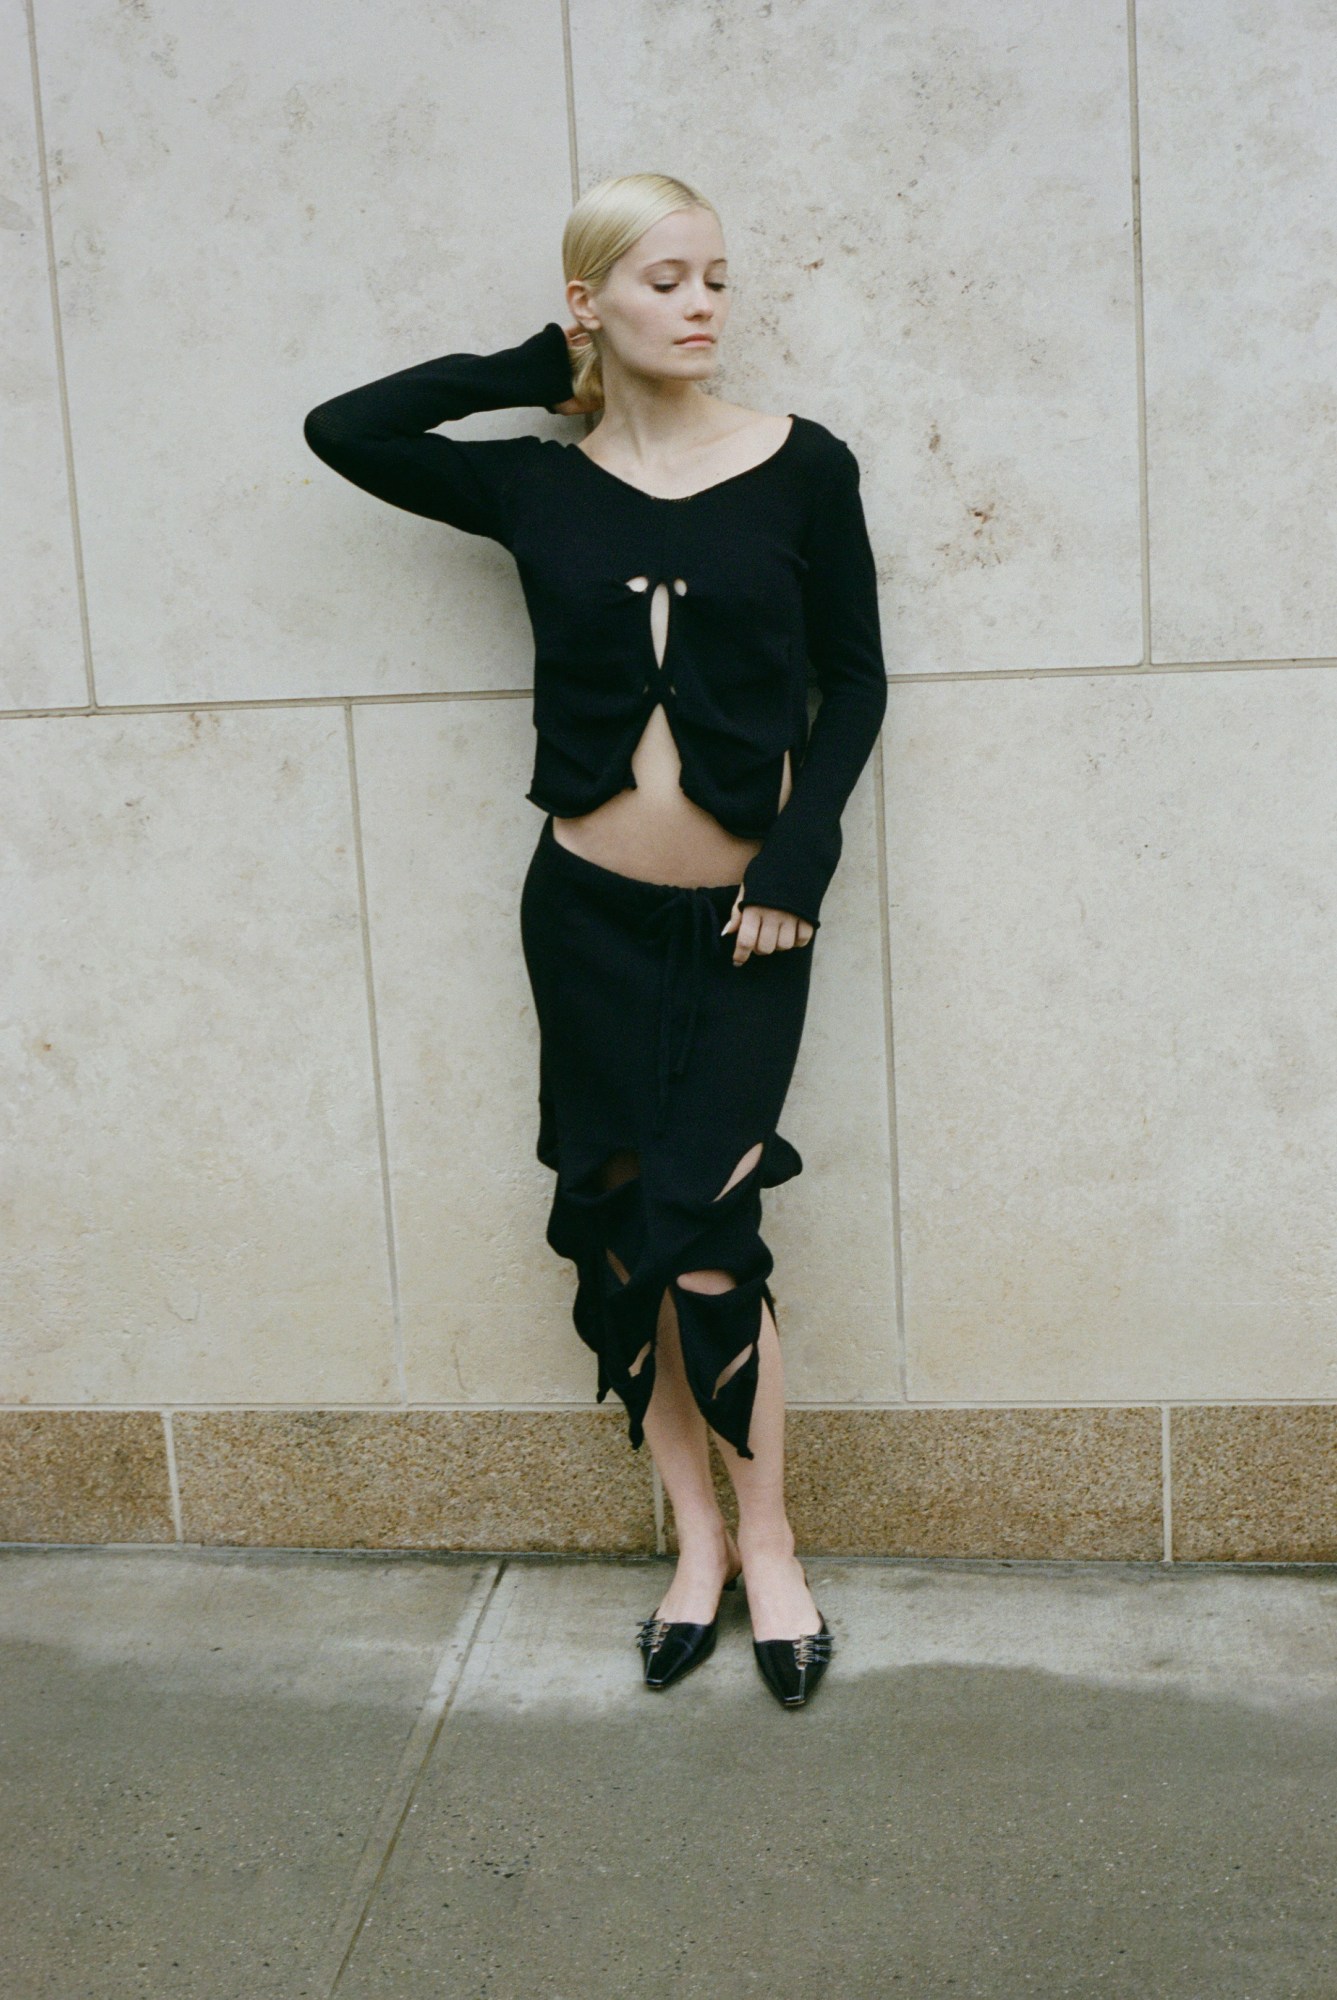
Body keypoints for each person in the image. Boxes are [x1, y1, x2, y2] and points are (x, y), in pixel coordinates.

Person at [302, 172, 887, 1708]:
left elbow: (853, 683)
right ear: (591, 301)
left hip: (751, 927)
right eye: (663, 280)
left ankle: (772, 1546)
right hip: (581, 920)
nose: (701, 306)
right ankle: (690, 1543)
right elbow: (344, 430)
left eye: (715, 279)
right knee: (624, 1225)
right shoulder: (535, 486)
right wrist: (533, 367)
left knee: (712, 1236)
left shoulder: (802, 466)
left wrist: (800, 860)